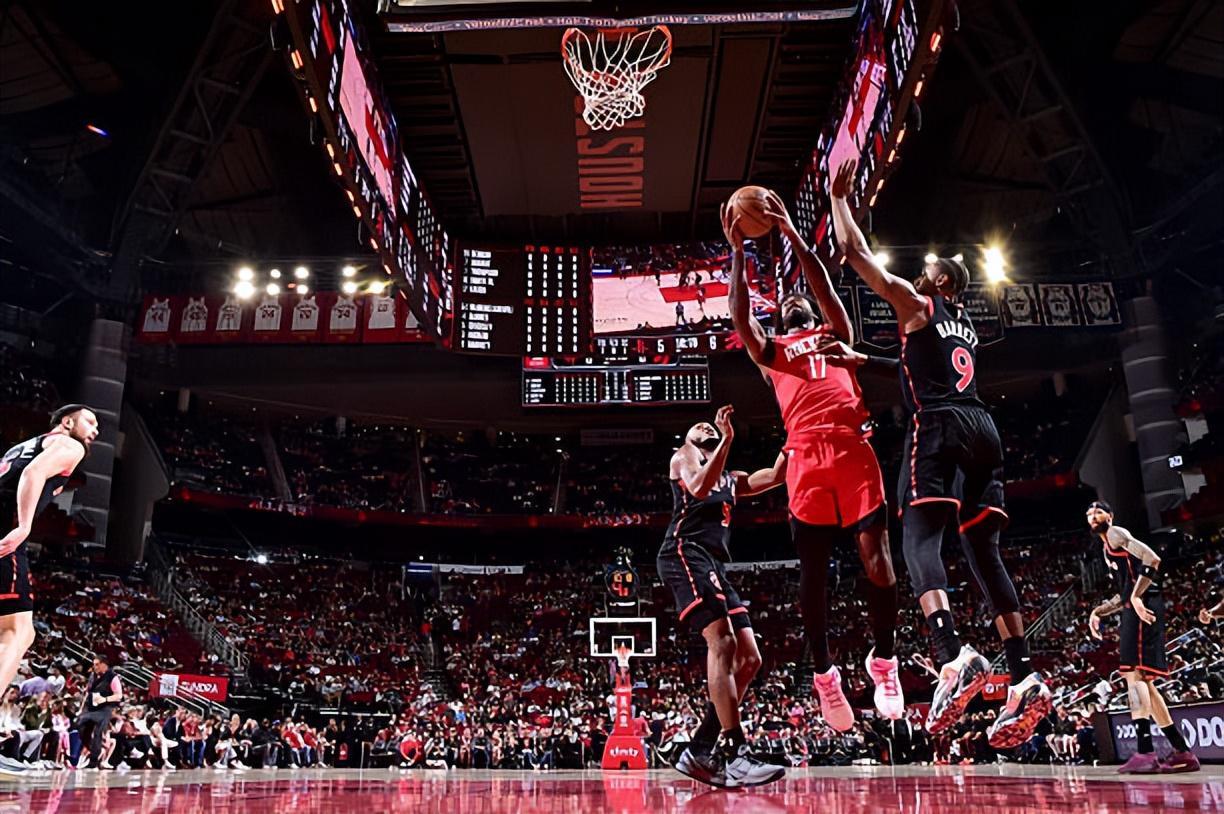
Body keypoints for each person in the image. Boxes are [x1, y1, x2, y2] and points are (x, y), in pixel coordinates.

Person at [828, 158, 1049, 748]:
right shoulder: (963, 327)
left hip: (942, 425)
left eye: (928, 269)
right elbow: (918, 368)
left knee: (918, 539)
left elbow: (854, 253)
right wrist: (864, 360)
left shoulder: (919, 305)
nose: (918, 272)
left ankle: (952, 655)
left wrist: (839, 200)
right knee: (983, 550)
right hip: (983, 426)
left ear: (943, 284)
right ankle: (1024, 674)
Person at [724, 194, 903, 732]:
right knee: (815, 575)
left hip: (853, 448)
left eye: (798, 301)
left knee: (879, 561)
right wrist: (738, 253)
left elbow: (822, 286)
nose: (794, 304)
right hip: (805, 456)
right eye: (786, 305)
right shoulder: (773, 353)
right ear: (780, 320)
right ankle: (825, 674)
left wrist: (791, 235)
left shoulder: (835, 335)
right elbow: (740, 319)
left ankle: (884, 660)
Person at [657, 406, 787, 788]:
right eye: (695, 424)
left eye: (706, 425)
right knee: (723, 642)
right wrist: (727, 437)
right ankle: (735, 753)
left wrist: (795, 437)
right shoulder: (683, 457)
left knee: (750, 659)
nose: (701, 423)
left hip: (714, 562)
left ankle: (700, 749)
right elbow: (698, 487)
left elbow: (776, 475)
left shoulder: (730, 478)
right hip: (685, 551)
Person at [1086, 500, 1200, 773]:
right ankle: (1182, 750)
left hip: (1144, 605)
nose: (1093, 515)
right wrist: (1098, 611)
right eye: (1089, 513)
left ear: (1110, 516)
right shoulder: (1107, 547)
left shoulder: (1116, 533)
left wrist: (1137, 597)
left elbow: (1152, 558)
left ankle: (1146, 752)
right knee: (1144, 682)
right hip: (1135, 606)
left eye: (1099, 511)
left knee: (1133, 676)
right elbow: (1123, 594)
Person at [0, 405, 99, 708]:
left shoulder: (21, 447)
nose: (95, 430)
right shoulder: (70, 445)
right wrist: (24, 526)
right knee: (17, 631)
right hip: (5, 536)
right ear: (67, 422)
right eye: (90, 422)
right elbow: (33, 472)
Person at [76, 656, 123, 769]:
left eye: (97, 664)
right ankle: (94, 749)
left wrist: (105, 699)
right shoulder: (93, 676)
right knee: (80, 725)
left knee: (98, 732)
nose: (95, 667)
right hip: (91, 707)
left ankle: (93, 760)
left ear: (104, 665)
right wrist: (81, 709)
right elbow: (87, 692)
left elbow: (118, 695)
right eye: (94, 664)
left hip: (104, 708)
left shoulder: (113, 677)